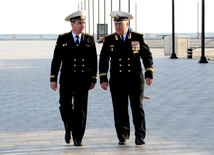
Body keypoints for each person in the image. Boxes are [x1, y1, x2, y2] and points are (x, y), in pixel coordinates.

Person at [99, 11, 153, 145]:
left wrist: (149, 73)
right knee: (119, 108)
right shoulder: (110, 39)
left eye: (120, 24)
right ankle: (122, 135)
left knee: (137, 107)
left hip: (135, 79)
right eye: (116, 24)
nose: (118, 27)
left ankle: (140, 135)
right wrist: (103, 78)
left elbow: (147, 56)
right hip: (117, 80)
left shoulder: (137, 37)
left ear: (127, 24)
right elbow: (104, 60)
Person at [50, 10, 97, 146]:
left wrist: (93, 78)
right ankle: (68, 127)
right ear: (72, 24)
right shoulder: (63, 38)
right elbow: (56, 60)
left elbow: (94, 60)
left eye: (83, 23)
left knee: (80, 109)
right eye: (79, 23)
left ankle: (78, 137)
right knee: (64, 106)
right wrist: (53, 78)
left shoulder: (89, 39)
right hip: (66, 79)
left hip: (83, 80)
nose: (82, 25)